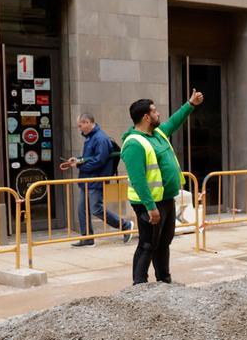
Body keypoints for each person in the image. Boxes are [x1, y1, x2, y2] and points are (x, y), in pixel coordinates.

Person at [121, 91, 203, 285]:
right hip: (149, 204)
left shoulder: (157, 133)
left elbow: (174, 122)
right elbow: (138, 180)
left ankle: (164, 281)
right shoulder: (134, 143)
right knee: (148, 245)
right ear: (146, 117)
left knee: (163, 243)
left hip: (166, 199)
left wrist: (190, 104)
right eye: (155, 111)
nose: (159, 114)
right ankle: (139, 285)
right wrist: (150, 207)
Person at [65, 113, 133, 247]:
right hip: (88, 179)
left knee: (96, 209)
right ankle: (87, 238)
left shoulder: (100, 138)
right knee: (82, 209)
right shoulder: (91, 137)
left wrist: (80, 164)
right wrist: (78, 160)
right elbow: (92, 158)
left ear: (87, 123)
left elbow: (99, 161)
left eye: (80, 125)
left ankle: (125, 225)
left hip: (95, 179)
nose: (79, 129)